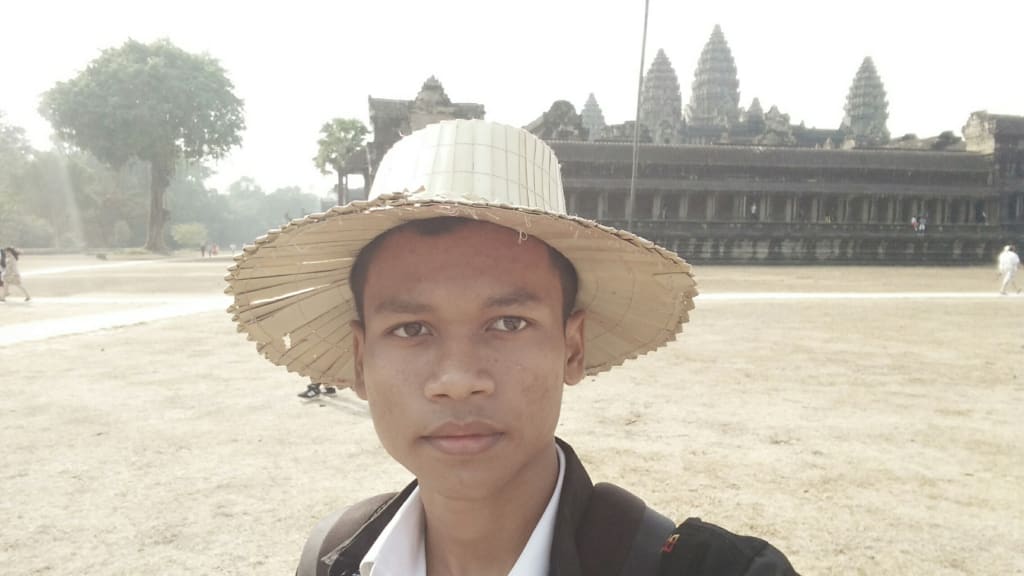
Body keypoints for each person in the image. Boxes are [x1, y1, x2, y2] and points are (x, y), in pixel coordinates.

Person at [226, 120, 798, 576]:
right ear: (360, 361)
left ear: (572, 347)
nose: (457, 380)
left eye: (508, 322)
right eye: (411, 329)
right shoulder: (334, 558)